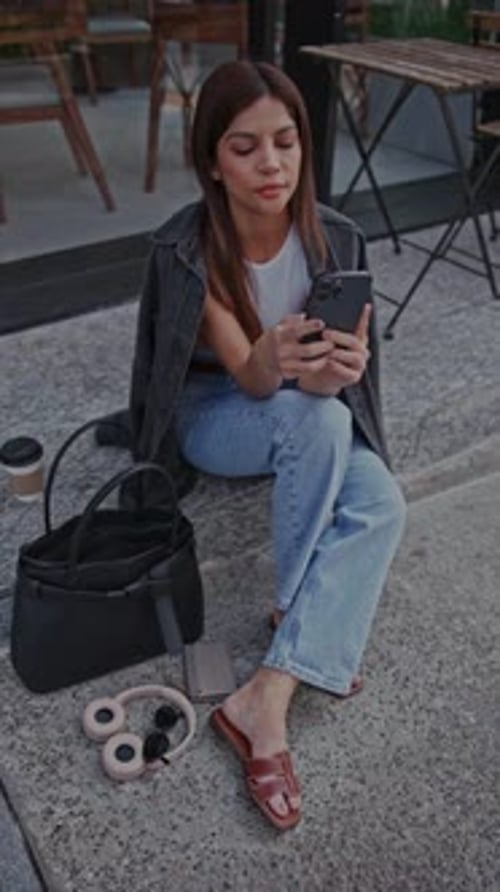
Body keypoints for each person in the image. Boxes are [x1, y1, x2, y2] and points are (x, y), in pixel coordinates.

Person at [129, 60, 406, 831]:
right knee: (316, 423)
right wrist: (280, 362)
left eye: (285, 142)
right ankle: (294, 611)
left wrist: (338, 372)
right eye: (245, 148)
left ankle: (269, 690)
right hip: (218, 409)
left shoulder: (336, 236)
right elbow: (252, 379)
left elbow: (328, 390)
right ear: (213, 162)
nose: (271, 164)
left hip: (306, 406)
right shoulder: (189, 247)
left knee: (383, 502)